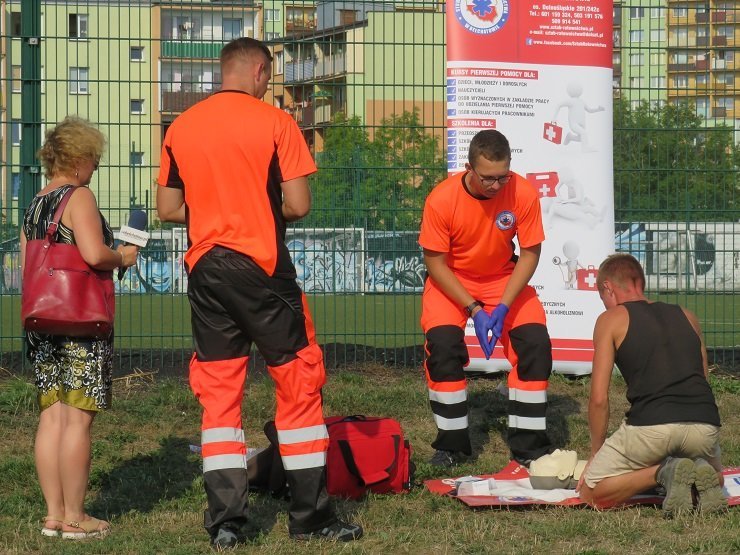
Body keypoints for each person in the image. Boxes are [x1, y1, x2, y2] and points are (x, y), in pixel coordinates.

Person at [156, 37, 362, 549]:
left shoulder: (181, 126)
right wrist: (260, 210)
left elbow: (166, 208)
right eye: (268, 75)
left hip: (205, 268)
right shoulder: (276, 123)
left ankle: (226, 522)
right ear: (258, 71)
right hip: (263, 268)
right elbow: (298, 204)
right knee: (299, 382)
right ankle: (310, 517)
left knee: (220, 393)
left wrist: (211, 214)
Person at [20, 116, 139, 539]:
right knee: (77, 421)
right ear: (78, 159)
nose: (96, 167)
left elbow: (28, 264)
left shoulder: (35, 202)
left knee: (51, 416)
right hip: (80, 322)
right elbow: (92, 253)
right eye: (95, 159)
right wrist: (122, 257)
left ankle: (53, 514)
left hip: (42, 319)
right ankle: (76, 517)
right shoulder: (79, 196)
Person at [419, 129, 554, 467]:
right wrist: (474, 309)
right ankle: (451, 446)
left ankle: (529, 449)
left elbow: (530, 253)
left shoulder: (521, 192)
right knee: (444, 348)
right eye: (488, 179)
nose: (496, 186)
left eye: (502, 177)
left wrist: (505, 304)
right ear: (469, 168)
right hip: (451, 281)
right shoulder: (441, 199)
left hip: (503, 279)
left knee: (535, 343)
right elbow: (435, 263)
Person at [577, 254, 726, 516]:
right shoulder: (688, 316)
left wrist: (595, 454)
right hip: (704, 426)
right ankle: (699, 471)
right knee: (715, 477)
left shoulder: (610, 319)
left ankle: (663, 471)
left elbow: (599, 398)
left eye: (603, 297)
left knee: (591, 492)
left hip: (651, 428)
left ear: (608, 288)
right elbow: (703, 380)